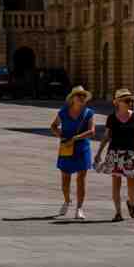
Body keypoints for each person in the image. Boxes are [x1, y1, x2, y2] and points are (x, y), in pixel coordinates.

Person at [96, 89, 134, 221]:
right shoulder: (112, 118)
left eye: (131, 100)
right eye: (127, 100)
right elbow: (106, 136)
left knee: (133, 187)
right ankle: (118, 212)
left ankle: (131, 203)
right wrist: (99, 153)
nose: (130, 102)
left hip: (131, 154)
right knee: (116, 184)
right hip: (115, 153)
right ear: (118, 102)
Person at [51, 86, 98, 220]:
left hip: (82, 147)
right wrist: (60, 135)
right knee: (65, 179)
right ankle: (67, 201)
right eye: (79, 95)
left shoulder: (88, 113)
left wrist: (75, 138)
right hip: (67, 148)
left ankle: (79, 208)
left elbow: (92, 131)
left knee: (81, 179)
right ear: (72, 98)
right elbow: (53, 126)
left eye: (83, 96)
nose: (82, 98)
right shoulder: (63, 112)